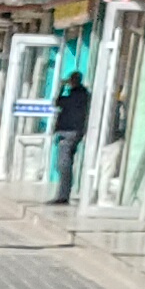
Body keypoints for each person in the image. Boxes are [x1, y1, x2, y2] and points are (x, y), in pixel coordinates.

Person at [47, 60, 94, 201]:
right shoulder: (85, 95)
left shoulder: (75, 96)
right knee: (65, 163)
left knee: (63, 164)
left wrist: (61, 87)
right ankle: (64, 192)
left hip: (68, 131)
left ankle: (63, 195)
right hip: (75, 132)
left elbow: (57, 102)